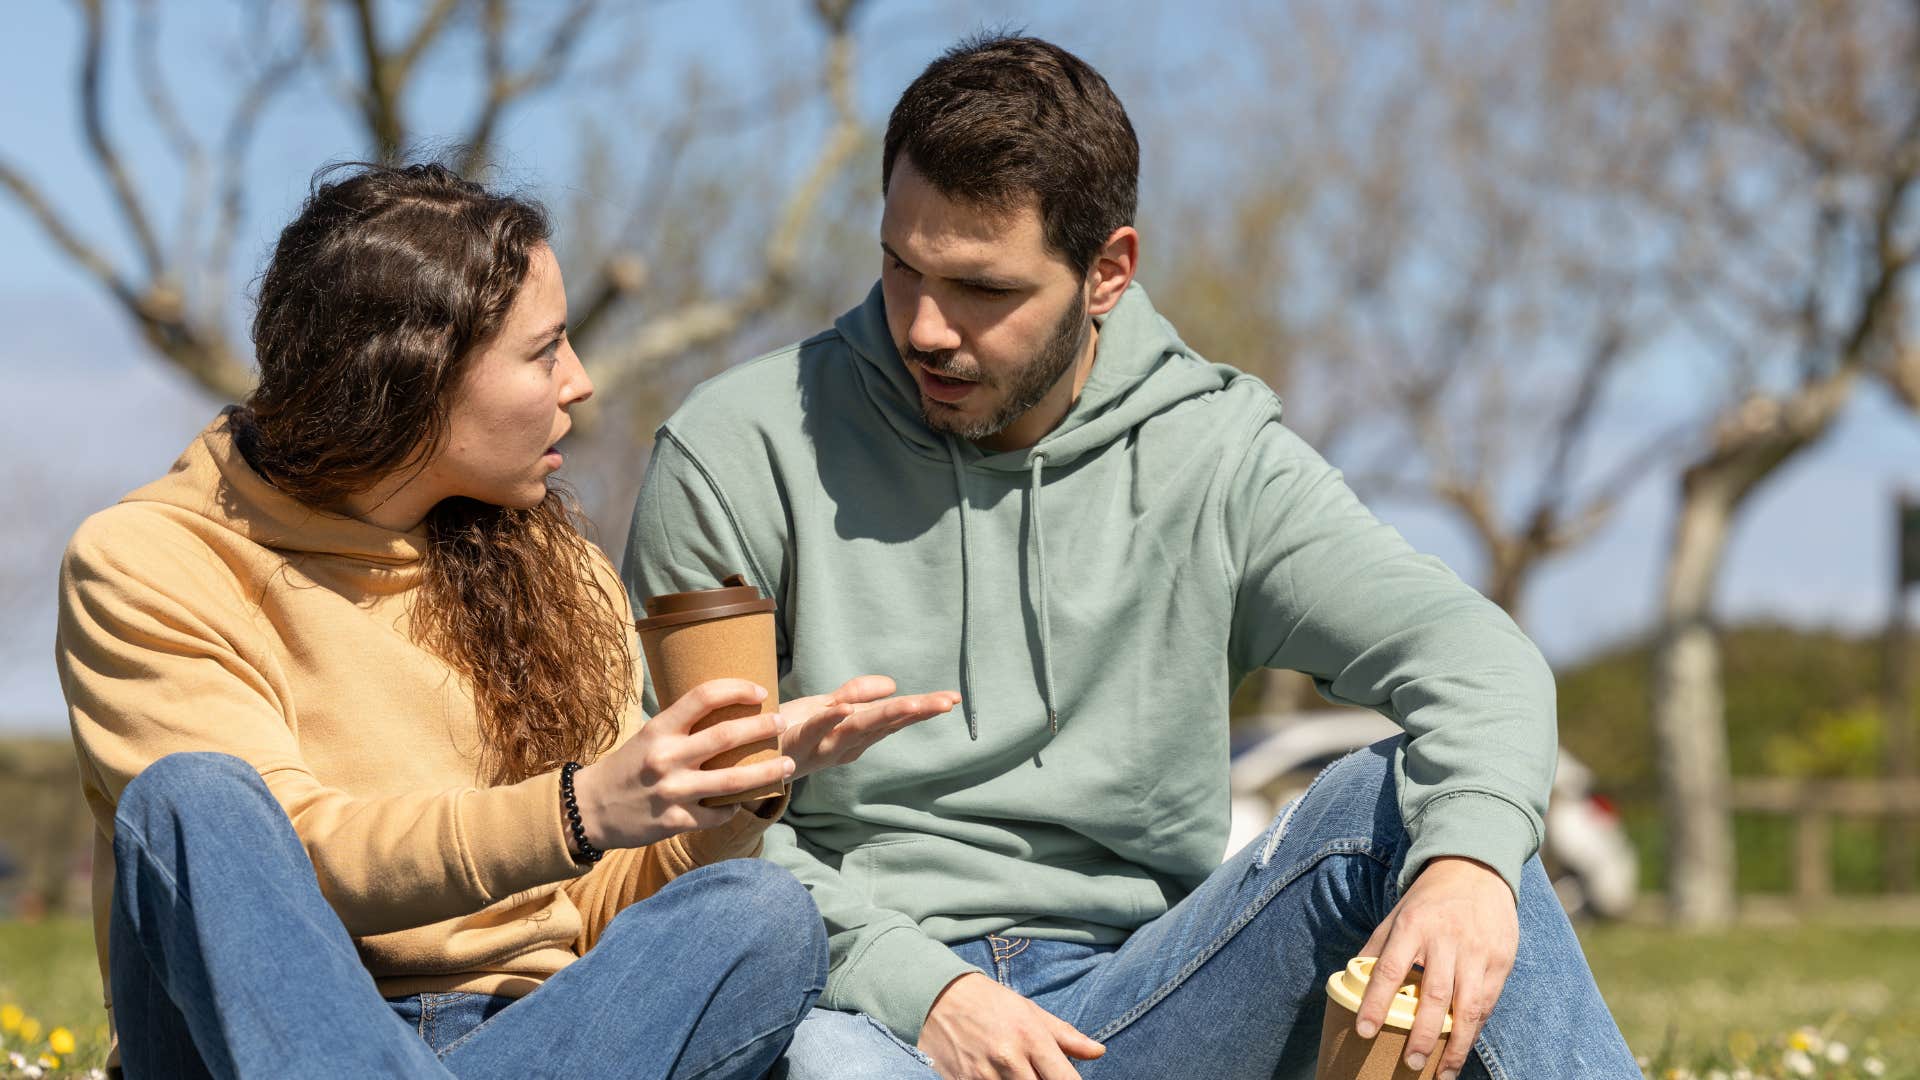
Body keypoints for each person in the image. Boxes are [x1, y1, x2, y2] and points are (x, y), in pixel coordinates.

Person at [624, 35, 1642, 1080]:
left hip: (1151, 1001)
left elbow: (1478, 661)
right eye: (900, 265)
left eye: (981, 289)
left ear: (1106, 273)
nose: (923, 326)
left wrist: (1470, 866)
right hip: (867, 1007)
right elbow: (691, 828)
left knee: (1429, 817)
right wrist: (922, 988)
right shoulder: (735, 451)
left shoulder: (1216, 458)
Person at [55, 162, 957, 1079]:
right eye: (545, 350)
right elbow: (277, 877)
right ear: (414, 374)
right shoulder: (148, 560)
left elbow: (600, 905)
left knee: (761, 912)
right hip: (254, 1037)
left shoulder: (552, 568)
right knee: (191, 801)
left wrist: (720, 801)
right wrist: (577, 806)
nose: (581, 381)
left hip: (536, 1039)